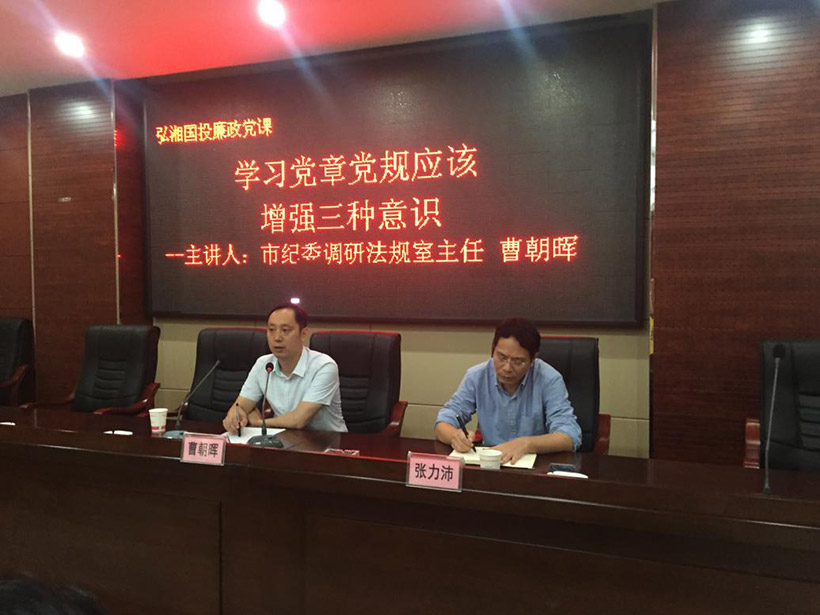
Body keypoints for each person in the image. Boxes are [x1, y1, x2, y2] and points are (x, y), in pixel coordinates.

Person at [435, 317, 581, 464]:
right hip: (491, 464)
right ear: (492, 351)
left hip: (535, 466)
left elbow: (570, 435)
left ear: (532, 360)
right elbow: (444, 421)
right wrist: (455, 436)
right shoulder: (477, 376)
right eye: (502, 357)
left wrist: (526, 444)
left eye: (518, 361)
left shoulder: (549, 379)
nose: (507, 368)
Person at [222, 303, 346, 433]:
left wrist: (259, 423)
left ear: (303, 334)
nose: (277, 338)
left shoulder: (324, 366)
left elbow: (298, 420)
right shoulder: (263, 364)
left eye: (285, 330)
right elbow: (240, 406)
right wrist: (235, 416)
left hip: (327, 440)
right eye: (271, 330)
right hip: (283, 437)